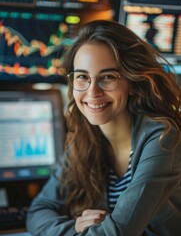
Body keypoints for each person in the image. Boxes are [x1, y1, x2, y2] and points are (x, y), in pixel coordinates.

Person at [26, 20, 181, 236]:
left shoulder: (163, 138)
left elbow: (116, 233)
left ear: (132, 81)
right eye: (82, 77)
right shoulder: (84, 139)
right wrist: (74, 228)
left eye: (107, 77)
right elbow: (38, 212)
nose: (92, 92)